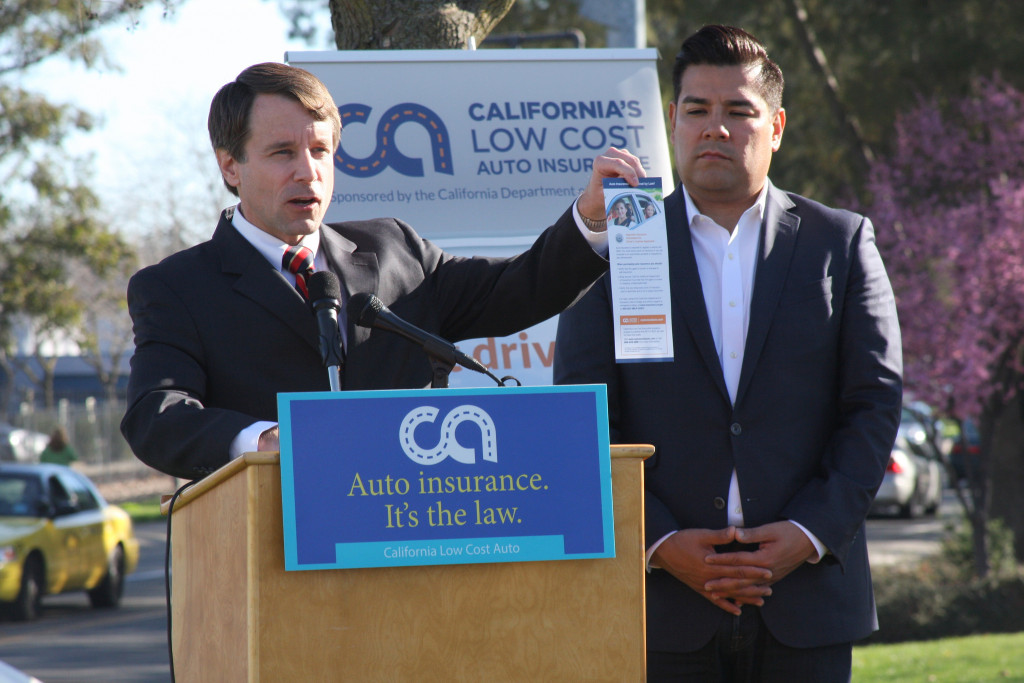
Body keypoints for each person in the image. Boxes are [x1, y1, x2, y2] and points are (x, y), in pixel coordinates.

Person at [554, 25, 902, 682]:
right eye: (697, 110)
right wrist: (656, 540)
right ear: (673, 121)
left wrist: (808, 532)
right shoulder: (619, 245)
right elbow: (584, 415)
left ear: (775, 126)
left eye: (739, 111)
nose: (716, 128)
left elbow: (874, 402)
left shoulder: (842, 244)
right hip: (660, 605)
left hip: (807, 601)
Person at [120, 62, 642, 481]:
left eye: (321, 150)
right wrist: (262, 442)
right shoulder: (177, 288)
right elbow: (156, 417)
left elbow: (519, 291)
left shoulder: (394, 248)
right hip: (272, 567)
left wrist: (591, 219)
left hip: (406, 547)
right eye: (283, 153)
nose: (309, 171)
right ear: (230, 165)